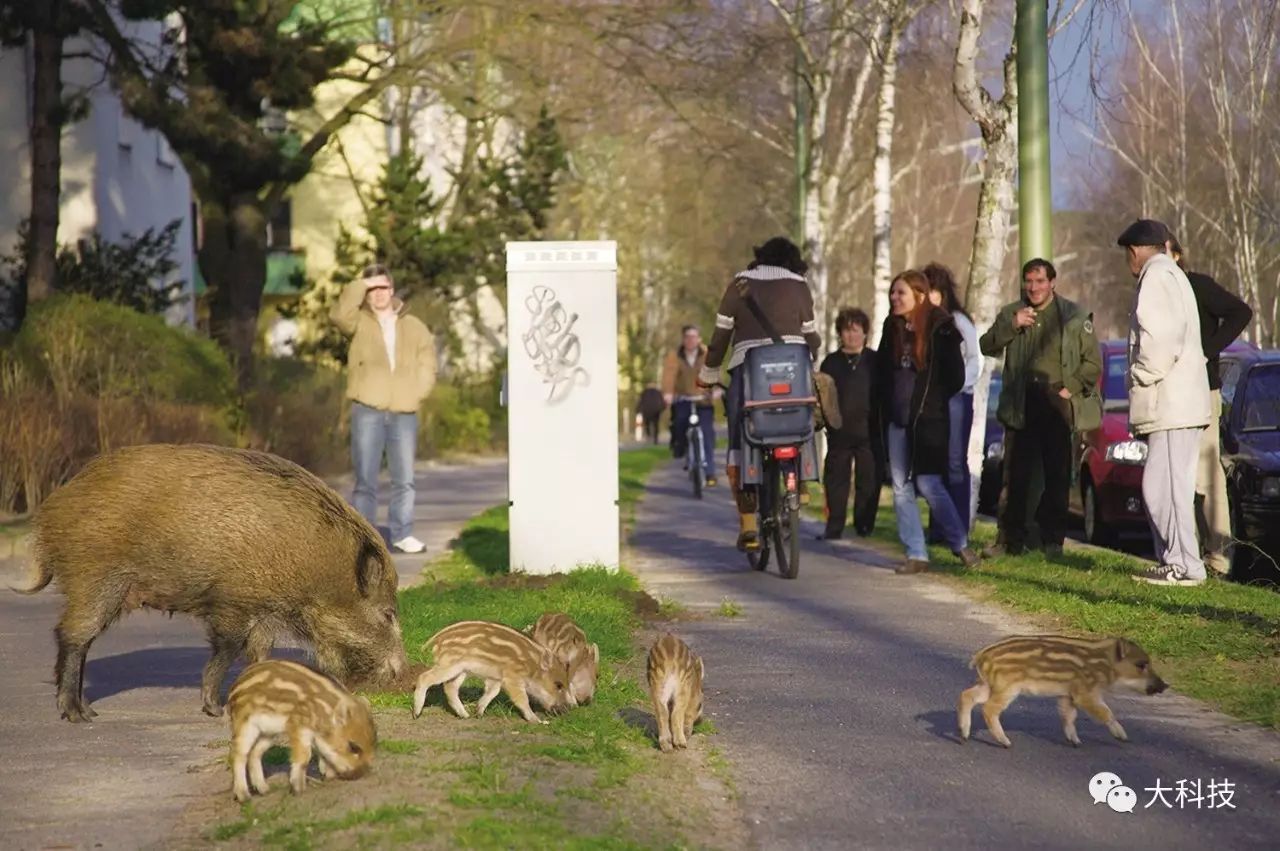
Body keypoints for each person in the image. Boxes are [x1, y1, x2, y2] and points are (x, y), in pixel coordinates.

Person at [699, 236, 821, 551]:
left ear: (760, 258)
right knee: (802, 414)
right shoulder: (799, 285)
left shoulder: (739, 284)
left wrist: (709, 373)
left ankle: (749, 526)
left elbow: (721, 336)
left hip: (748, 372)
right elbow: (811, 337)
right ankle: (802, 478)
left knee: (740, 435)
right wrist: (811, 355)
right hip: (794, 371)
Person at [979, 258, 1101, 559]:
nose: (1034, 287)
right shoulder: (1013, 312)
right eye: (1029, 281)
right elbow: (986, 345)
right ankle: (1009, 542)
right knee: (1015, 477)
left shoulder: (1073, 316)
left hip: (1056, 401)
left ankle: (1052, 542)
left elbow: (1092, 363)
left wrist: (1068, 387)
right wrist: (1012, 325)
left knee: (1057, 476)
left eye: (1040, 281)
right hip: (1021, 402)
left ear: (1052, 282)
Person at [1117, 220, 1212, 586]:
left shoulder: (1156, 277)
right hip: (1178, 402)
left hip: (1171, 403)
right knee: (1163, 486)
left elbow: (1158, 341)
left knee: (1167, 489)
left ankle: (1186, 566)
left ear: (1136, 250)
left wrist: (1139, 376)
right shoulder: (1173, 275)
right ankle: (1176, 561)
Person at [875, 270, 979, 574]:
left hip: (929, 419)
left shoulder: (942, 326)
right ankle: (916, 553)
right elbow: (883, 370)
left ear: (919, 295)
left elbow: (956, 376)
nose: (894, 298)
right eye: (893, 293)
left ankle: (959, 543)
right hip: (897, 419)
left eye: (901, 293)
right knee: (900, 486)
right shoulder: (891, 327)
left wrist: (932, 400)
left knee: (929, 482)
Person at [330, 263, 437, 554]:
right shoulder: (358, 322)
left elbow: (428, 361)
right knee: (366, 480)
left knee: (405, 479)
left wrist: (417, 392)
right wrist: (359, 285)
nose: (378, 294)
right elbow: (338, 317)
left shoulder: (413, 326)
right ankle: (365, 541)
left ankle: (402, 533)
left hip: (404, 411)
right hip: (368, 409)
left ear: (392, 289)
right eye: (372, 289)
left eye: (383, 287)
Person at [1166, 235, 1253, 575]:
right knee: (1173, 476)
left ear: (1177, 255)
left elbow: (1241, 312)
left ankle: (1217, 557)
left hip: (1202, 390)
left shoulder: (1196, 285)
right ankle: (1182, 554)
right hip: (1168, 395)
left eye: (1164, 253)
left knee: (1206, 474)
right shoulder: (1154, 294)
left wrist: (1206, 351)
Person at [923, 262, 982, 537]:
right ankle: (939, 526)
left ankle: (958, 528)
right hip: (933, 401)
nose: (931, 297)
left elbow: (974, 360)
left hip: (957, 398)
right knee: (935, 460)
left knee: (955, 461)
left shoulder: (959, 321)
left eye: (934, 290)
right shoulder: (923, 323)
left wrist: (958, 386)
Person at [818, 308, 882, 539]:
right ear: (840, 333)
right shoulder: (831, 363)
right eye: (847, 330)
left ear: (865, 333)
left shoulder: (875, 361)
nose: (852, 335)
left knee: (868, 481)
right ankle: (834, 526)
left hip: (869, 432)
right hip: (839, 432)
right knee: (836, 482)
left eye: (856, 330)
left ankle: (864, 526)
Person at [662, 325, 718, 486]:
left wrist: (715, 390)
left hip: (703, 400)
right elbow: (669, 375)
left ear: (699, 339)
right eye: (687, 337)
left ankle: (710, 472)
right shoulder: (675, 355)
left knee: (707, 433)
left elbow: (714, 372)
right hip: (683, 399)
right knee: (679, 423)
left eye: (694, 336)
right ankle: (681, 447)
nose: (691, 340)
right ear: (683, 339)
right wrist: (668, 393)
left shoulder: (707, 354)